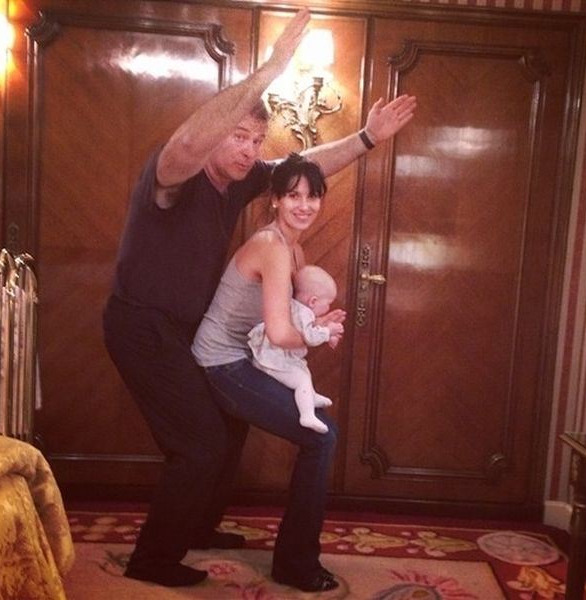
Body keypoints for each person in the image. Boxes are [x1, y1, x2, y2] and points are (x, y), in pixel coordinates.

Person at [102, 6, 416, 589]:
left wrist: (368, 137)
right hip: (140, 326)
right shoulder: (174, 174)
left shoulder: (240, 181)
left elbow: (303, 168)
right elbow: (190, 139)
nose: (248, 150)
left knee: (228, 429)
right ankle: (152, 559)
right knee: (199, 444)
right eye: (238, 136)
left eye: (255, 139)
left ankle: (198, 528)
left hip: (185, 330)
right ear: (215, 135)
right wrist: (271, 68)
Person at [192, 154, 346, 591]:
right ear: (275, 199)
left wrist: (317, 325)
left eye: (312, 196)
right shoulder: (272, 247)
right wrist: (318, 335)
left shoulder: (293, 249)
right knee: (322, 437)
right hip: (222, 361)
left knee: (230, 442)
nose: (304, 205)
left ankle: (198, 529)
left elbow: (289, 318)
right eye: (293, 195)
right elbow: (280, 334)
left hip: (247, 355)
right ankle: (296, 564)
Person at [247, 263, 342, 434]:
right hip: (272, 360)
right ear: (313, 301)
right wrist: (329, 332)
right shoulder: (304, 313)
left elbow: (308, 330)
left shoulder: (296, 307)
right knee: (301, 380)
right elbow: (310, 337)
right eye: (328, 303)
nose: (328, 308)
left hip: (277, 356)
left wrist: (328, 335)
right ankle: (307, 415)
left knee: (303, 369)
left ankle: (309, 396)